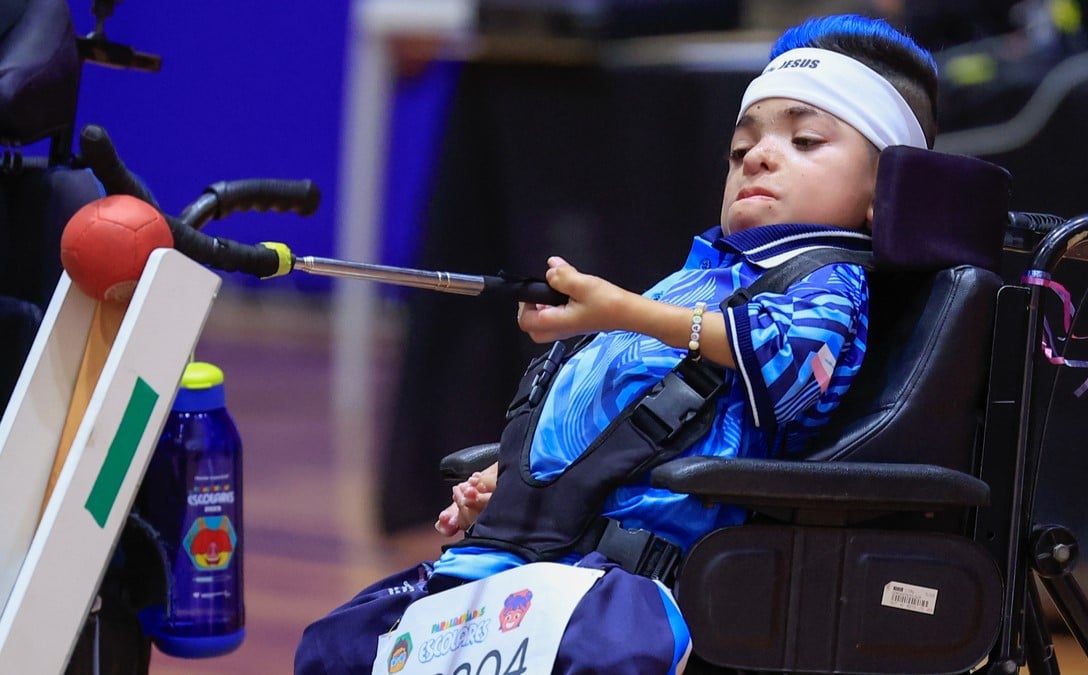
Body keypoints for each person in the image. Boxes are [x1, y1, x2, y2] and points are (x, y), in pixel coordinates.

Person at [295, 13, 938, 674]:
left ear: (882, 193)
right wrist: (509, 481)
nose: (759, 156)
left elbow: (776, 357)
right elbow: (601, 422)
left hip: (624, 579)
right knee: (337, 644)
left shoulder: (828, 285)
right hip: (529, 551)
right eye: (740, 148)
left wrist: (623, 310)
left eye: (805, 140)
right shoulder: (693, 280)